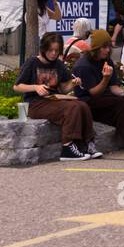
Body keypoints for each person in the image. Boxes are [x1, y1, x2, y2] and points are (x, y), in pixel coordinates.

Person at [14, 32, 98, 161]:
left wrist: (73, 83)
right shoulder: (32, 62)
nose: (53, 53)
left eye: (56, 50)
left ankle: (87, 143)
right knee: (72, 108)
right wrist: (35, 87)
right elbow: (17, 86)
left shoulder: (58, 65)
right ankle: (67, 147)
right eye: (50, 50)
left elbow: (64, 89)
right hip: (35, 103)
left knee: (82, 105)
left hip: (54, 100)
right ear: (44, 49)